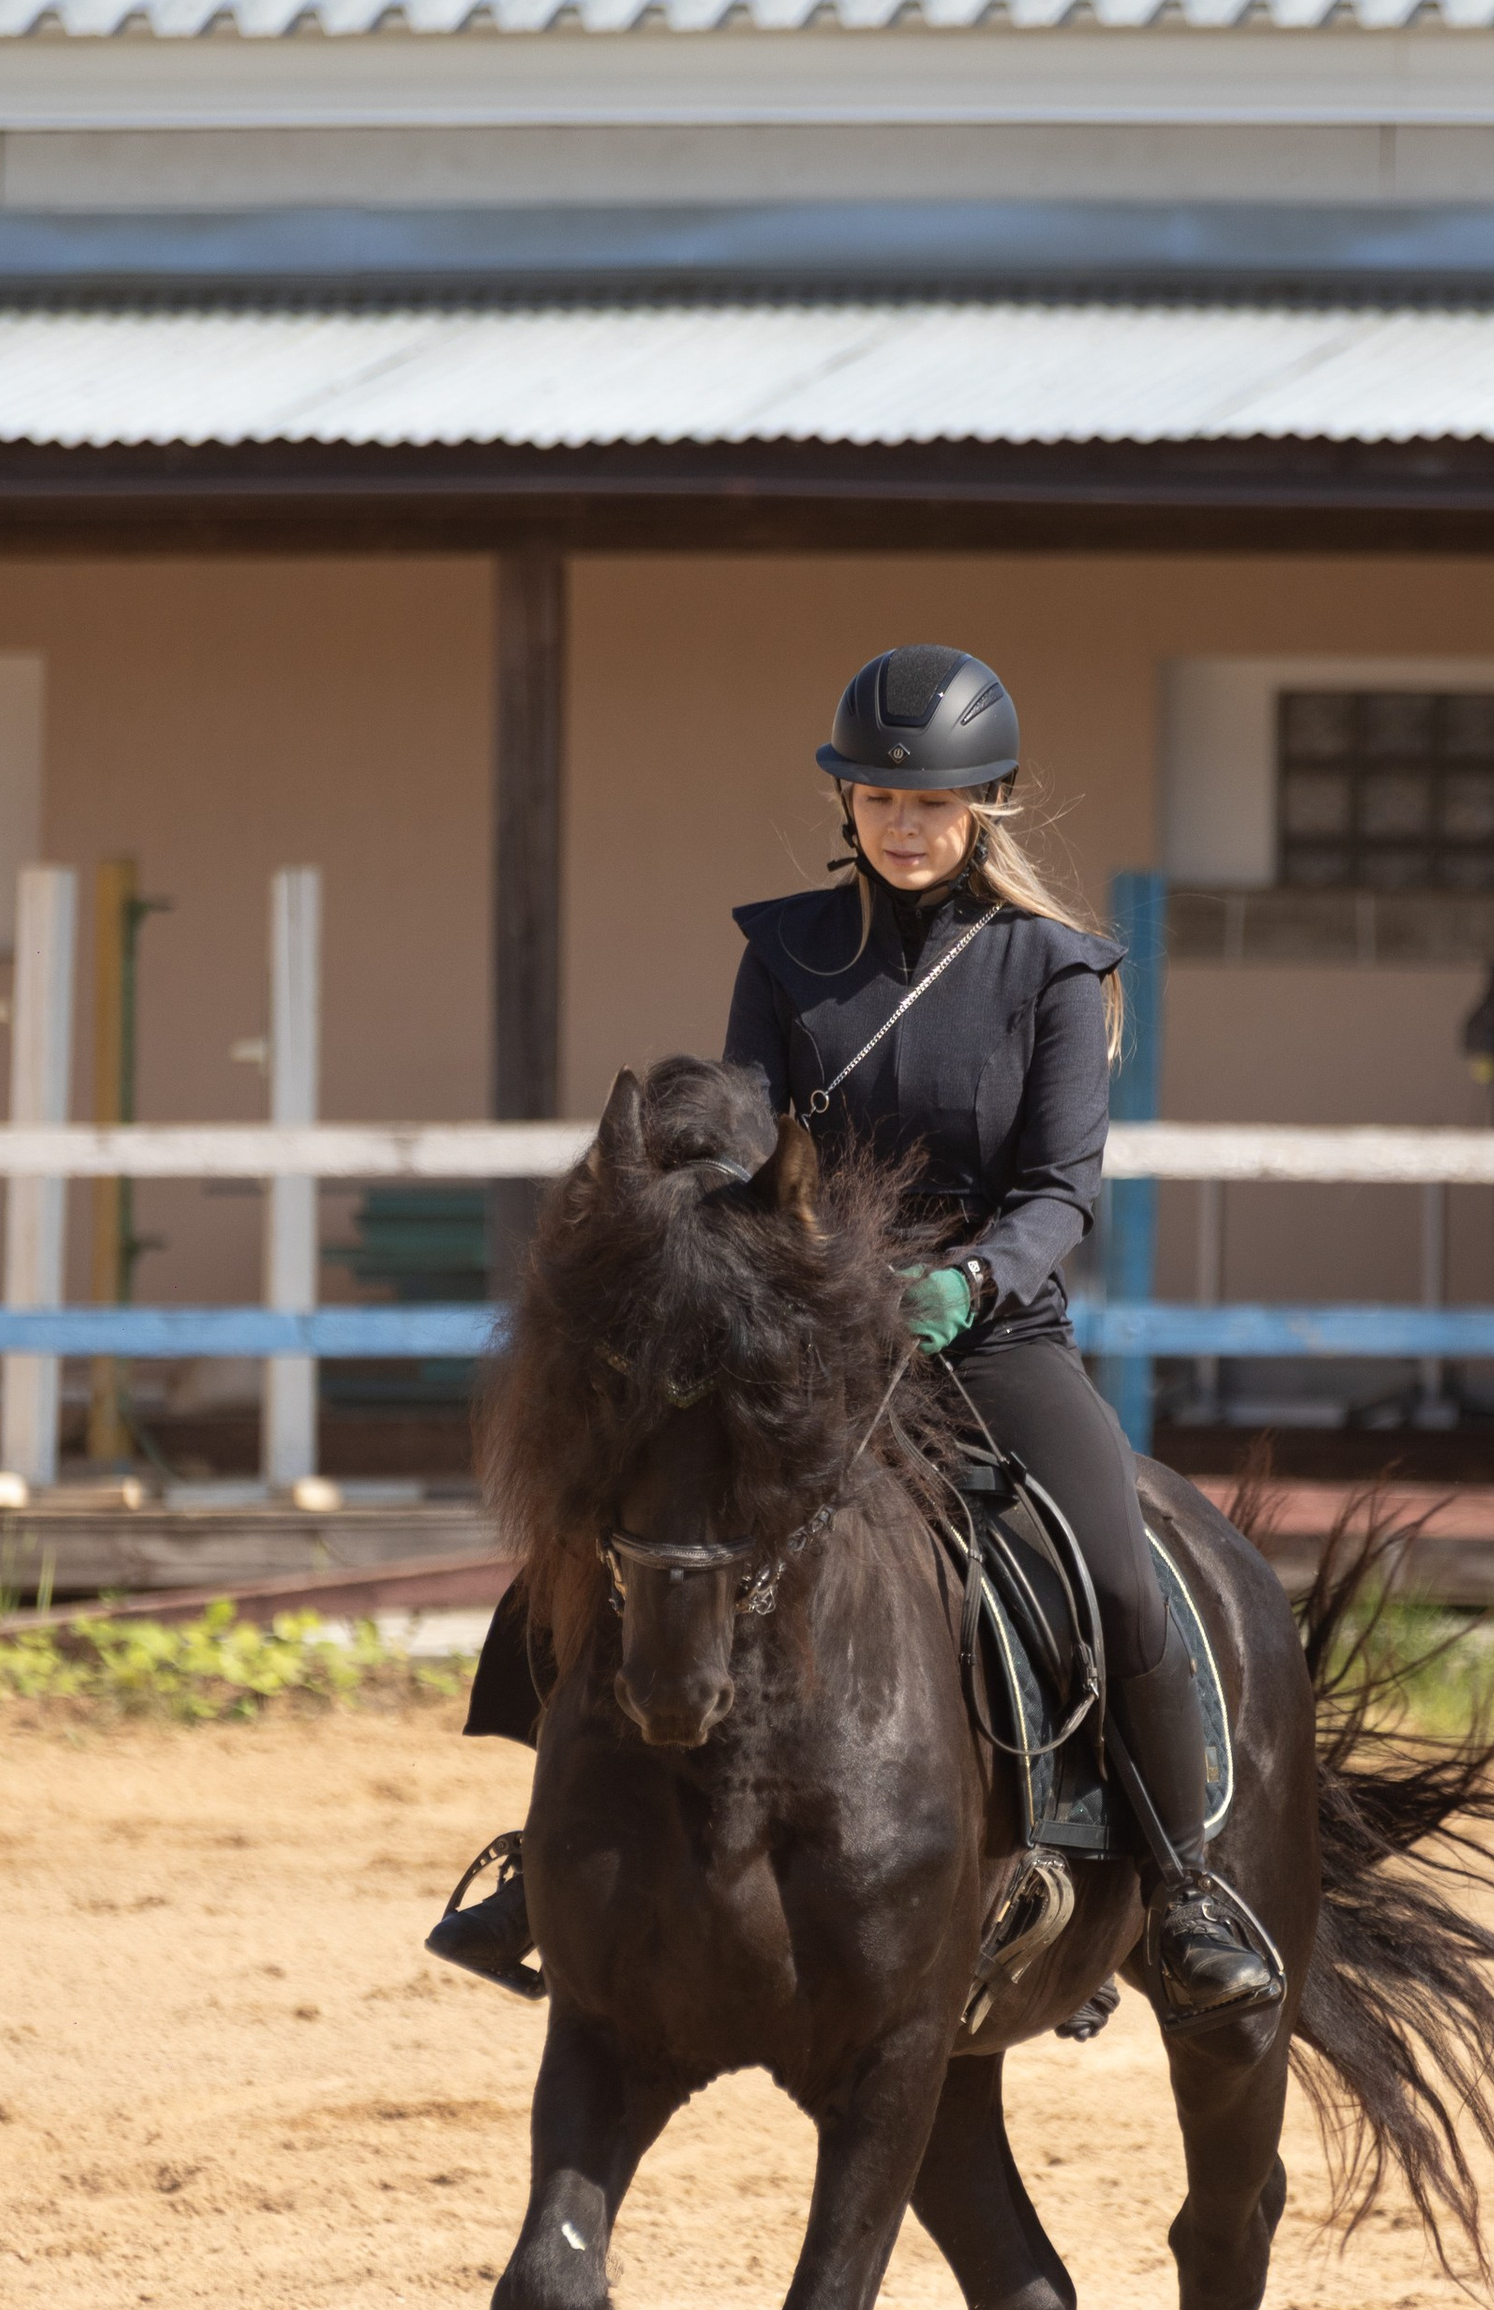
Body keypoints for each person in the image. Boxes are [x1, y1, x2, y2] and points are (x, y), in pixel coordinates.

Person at [430, 640, 1281, 2023]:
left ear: (983, 806)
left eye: (931, 805)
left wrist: (976, 1284)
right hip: (811, 1321)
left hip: (988, 1330)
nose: (904, 826)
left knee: (1119, 1579)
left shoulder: (1054, 974)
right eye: (881, 803)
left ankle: (1179, 1885)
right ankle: (553, 1861)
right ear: (849, 809)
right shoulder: (784, 953)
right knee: (612, 1525)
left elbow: (1063, 1191)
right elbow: (744, 1137)